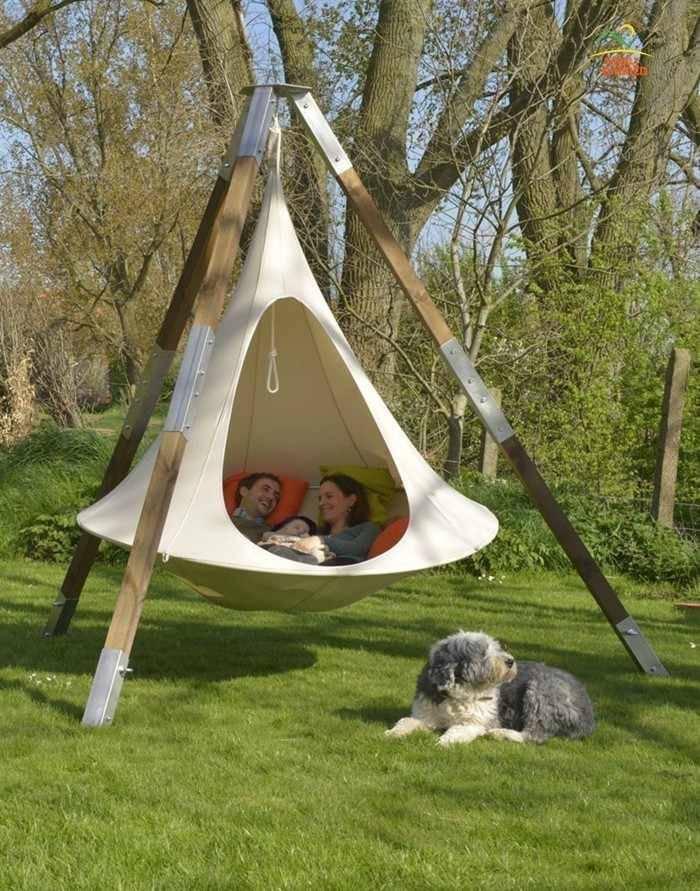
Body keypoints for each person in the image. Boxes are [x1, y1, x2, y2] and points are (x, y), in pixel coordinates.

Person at [269, 474, 380, 566]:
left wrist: (320, 540)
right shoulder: (315, 531)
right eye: (320, 498)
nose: (321, 503)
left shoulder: (368, 527)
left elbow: (357, 549)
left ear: (351, 500)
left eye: (329, 496)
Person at [229, 472, 281, 543]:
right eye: (265, 489)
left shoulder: (276, 533)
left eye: (276, 496)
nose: (271, 497)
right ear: (244, 491)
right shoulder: (222, 521)